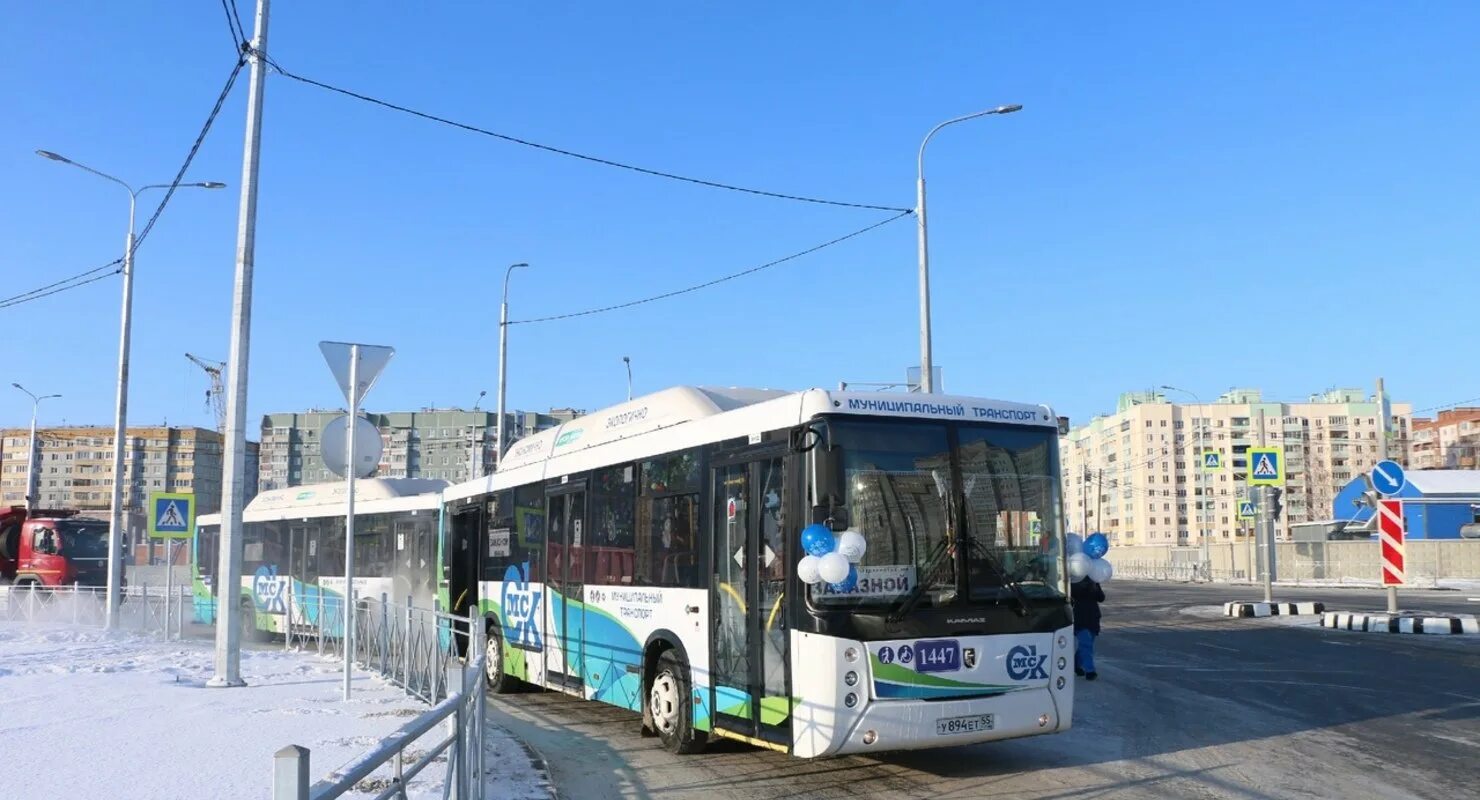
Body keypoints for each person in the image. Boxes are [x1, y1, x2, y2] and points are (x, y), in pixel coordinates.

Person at [1071, 576, 1105, 680]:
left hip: (1093, 617)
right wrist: (1083, 586)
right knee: (1086, 644)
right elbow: (1073, 595)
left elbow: (1101, 598)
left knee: (1085, 645)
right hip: (1080, 617)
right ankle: (1090, 671)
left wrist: (1095, 586)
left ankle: (1075, 664)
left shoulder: (1094, 580)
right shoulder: (1074, 580)